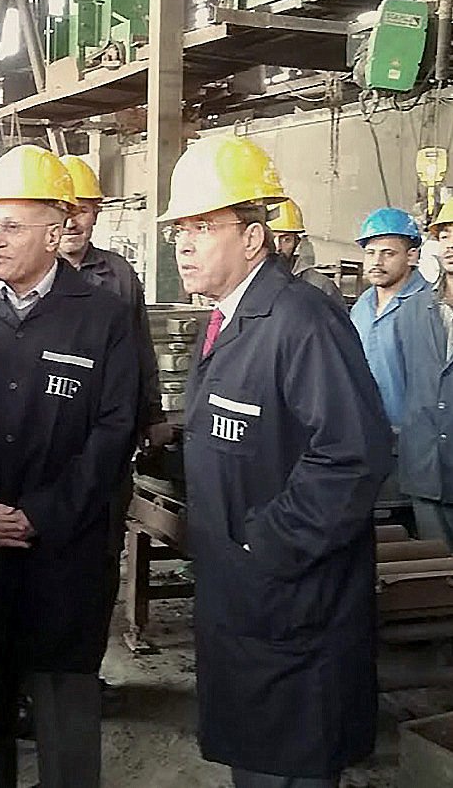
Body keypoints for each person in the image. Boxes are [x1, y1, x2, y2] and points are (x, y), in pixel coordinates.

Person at [160, 134, 393, 788]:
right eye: (181, 227)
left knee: (287, 768)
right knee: (257, 760)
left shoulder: (300, 322)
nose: (184, 241)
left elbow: (352, 457)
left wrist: (261, 544)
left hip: (290, 604)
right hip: (245, 600)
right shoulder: (230, 319)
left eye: (204, 225)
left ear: (254, 238)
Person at [0, 144, 140, 788]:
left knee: (63, 701)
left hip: (63, 552)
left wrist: (41, 514)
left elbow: (112, 429)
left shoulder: (101, 317)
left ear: (55, 230)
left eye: (11, 225)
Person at [57, 153, 172, 669]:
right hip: (52, 432)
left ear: (98, 215)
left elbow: (141, 348)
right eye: (68, 208)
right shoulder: (32, 269)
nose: (76, 219)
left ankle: (85, 667)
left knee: (101, 548)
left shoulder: (118, 275)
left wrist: (151, 414)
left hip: (109, 433)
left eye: (86, 209)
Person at [393, 199, 453, 548]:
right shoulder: (411, 312)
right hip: (426, 470)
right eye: (444, 234)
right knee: (436, 581)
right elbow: (407, 385)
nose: (450, 244)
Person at [350, 207, 427, 429]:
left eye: (388, 253)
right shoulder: (362, 305)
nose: (377, 261)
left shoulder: (430, 306)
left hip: (411, 438)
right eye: (370, 252)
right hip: (363, 431)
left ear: (411, 256)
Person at [270, 198, 346, 306]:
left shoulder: (320, 286)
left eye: (286, 240)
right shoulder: (251, 283)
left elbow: (337, 322)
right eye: (272, 238)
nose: (277, 247)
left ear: (297, 242)